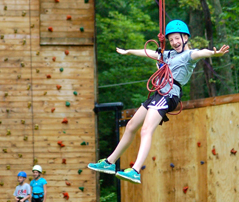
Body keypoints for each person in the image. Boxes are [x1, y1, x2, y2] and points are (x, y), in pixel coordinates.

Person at [88, 20, 230, 184]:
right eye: (171, 40)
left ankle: (135, 170)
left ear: (185, 37)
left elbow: (200, 53)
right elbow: (149, 52)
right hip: (159, 94)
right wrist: (128, 52)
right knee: (131, 125)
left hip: (169, 95)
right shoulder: (168, 54)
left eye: (177, 38)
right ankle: (109, 163)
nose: (174, 42)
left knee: (146, 129)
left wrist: (214, 54)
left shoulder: (188, 55)